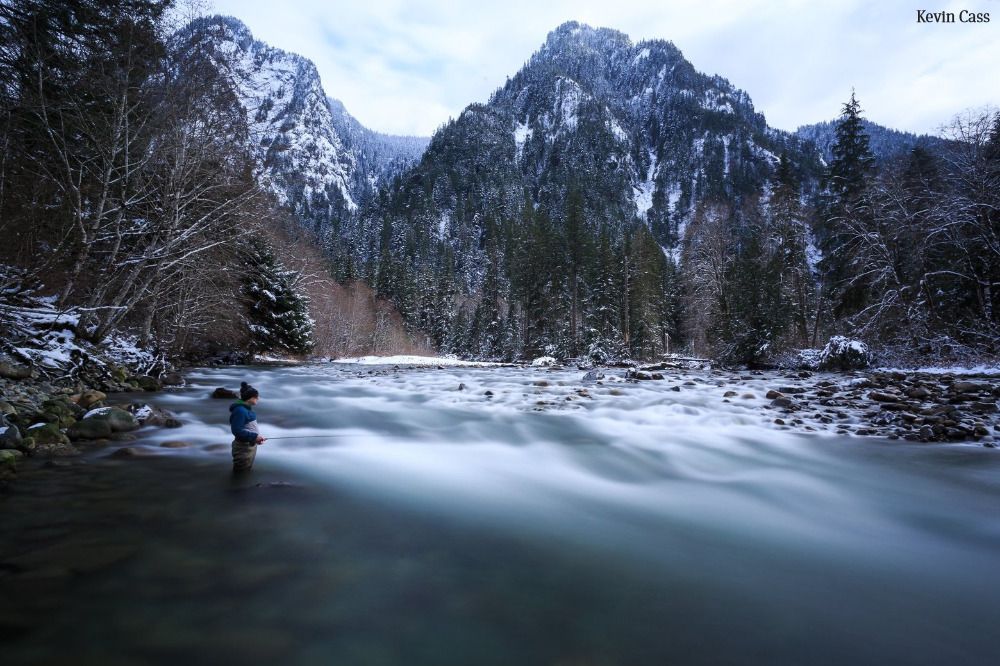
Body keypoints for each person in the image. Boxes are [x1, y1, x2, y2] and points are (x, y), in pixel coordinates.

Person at [230, 381, 266, 472]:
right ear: (249, 398)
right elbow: (237, 431)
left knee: (246, 470)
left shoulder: (246, 409)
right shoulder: (240, 411)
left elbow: (248, 427)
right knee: (241, 472)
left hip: (249, 444)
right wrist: (254, 436)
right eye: (256, 397)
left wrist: (256, 438)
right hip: (243, 448)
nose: (258, 398)